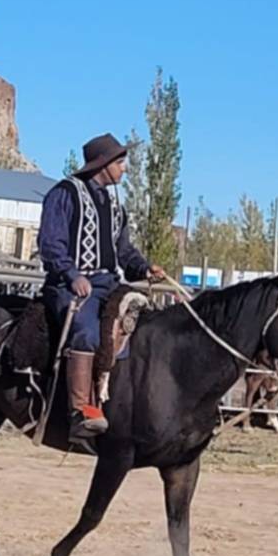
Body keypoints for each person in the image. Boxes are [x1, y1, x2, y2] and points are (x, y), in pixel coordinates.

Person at [37, 133, 166, 441]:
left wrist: (144, 268)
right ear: (103, 164)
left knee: (144, 325)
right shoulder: (65, 193)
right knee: (88, 331)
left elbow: (124, 252)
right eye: (120, 162)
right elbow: (50, 243)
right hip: (70, 285)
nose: (125, 168)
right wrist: (72, 274)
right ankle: (80, 411)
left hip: (109, 283)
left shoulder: (116, 206)